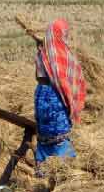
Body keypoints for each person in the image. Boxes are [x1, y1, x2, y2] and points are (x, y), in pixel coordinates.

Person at [34, 19, 86, 169]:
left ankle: (42, 169)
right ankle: (65, 169)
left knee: (44, 135)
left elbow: (37, 77)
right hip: (56, 96)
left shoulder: (42, 53)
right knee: (60, 134)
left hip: (41, 95)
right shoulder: (63, 53)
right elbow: (68, 80)